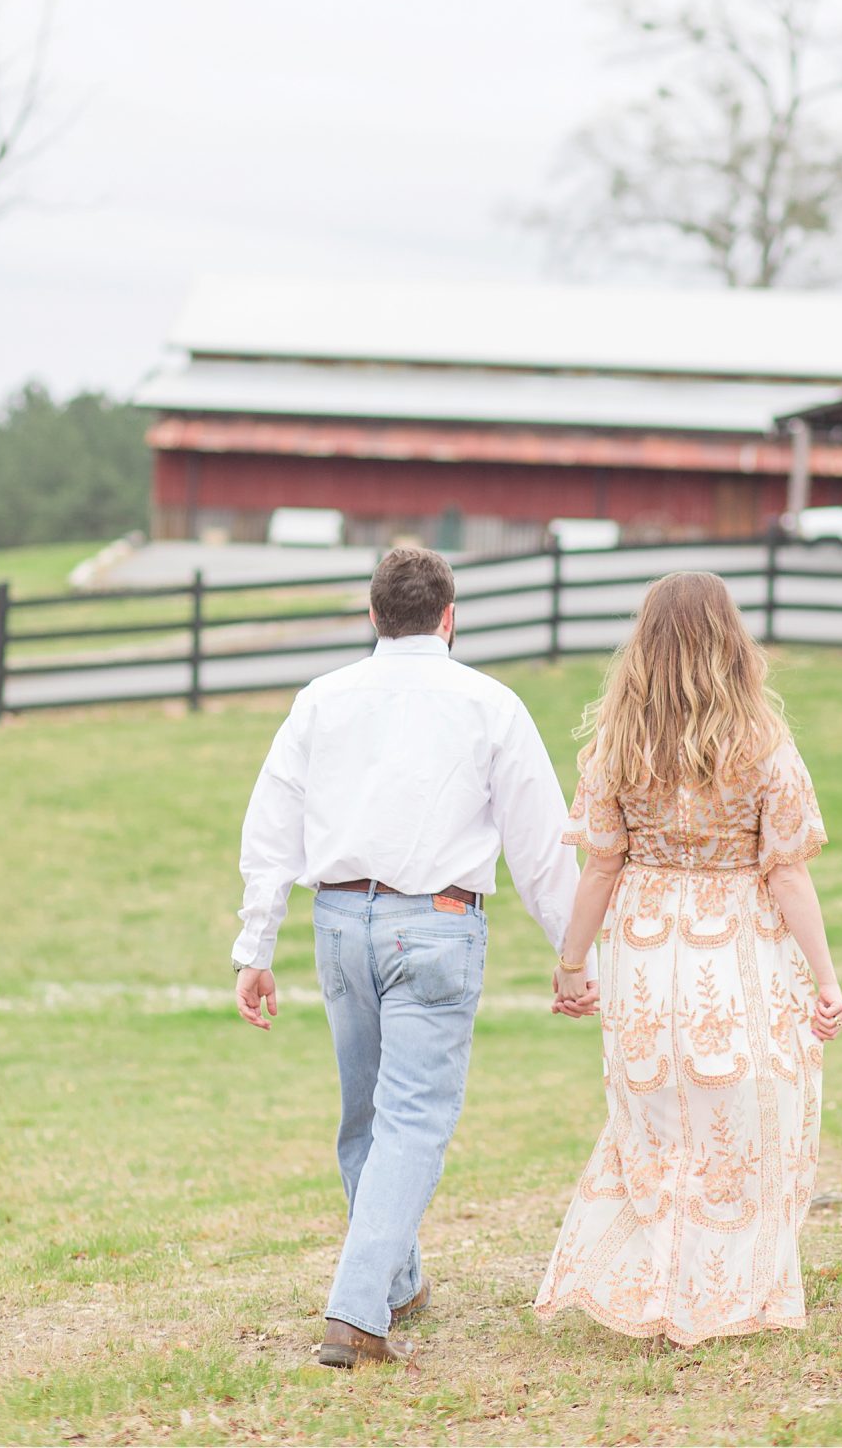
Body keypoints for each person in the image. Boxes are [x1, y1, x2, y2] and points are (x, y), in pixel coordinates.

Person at [231, 544, 596, 1369]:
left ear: (373, 616)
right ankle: (359, 1313)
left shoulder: (321, 701)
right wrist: (577, 954)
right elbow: (541, 847)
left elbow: (270, 828)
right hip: (434, 923)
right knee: (412, 1122)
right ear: (449, 617)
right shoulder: (489, 703)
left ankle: (397, 1283)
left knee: (366, 1118)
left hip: (337, 923)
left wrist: (254, 945)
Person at [535, 570, 842, 1347]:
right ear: (730, 645)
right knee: (746, 1116)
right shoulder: (764, 747)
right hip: (732, 951)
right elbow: (788, 870)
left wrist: (574, 963)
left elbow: (601, 867)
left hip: (646, 951)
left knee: (656, 1122)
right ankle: (724, 1286)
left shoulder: (616, 748)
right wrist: (829, 979)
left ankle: (664, 1283)